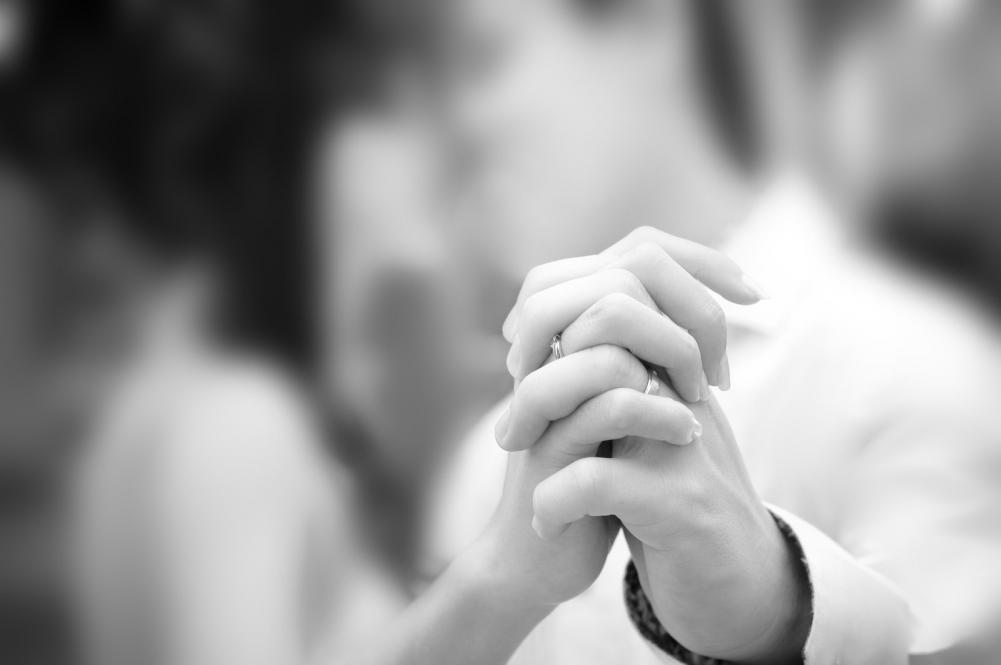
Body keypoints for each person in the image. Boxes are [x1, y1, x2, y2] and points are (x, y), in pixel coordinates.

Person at [407, 0, 1001, 663]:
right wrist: (492, 586)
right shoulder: (485, 476)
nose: (455, 126)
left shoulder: (919, 368)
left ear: (646, 22)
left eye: (485, 56)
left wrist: (778, 614)